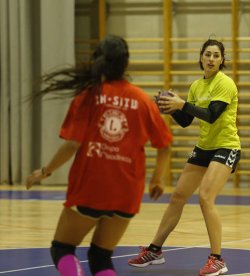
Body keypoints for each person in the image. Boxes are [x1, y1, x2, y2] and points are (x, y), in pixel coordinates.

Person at [26, 35, 173, 276]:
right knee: (100, 257)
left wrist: (44, 172)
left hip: (91, 187)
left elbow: (72, 145)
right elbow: (164, 145)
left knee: (62, 248)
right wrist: (158, 179)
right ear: (126, 64)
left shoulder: (88, 97)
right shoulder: (142, 100)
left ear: (98, 61)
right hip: (127, 191)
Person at [128, 38, 241, 276]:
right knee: (178, 196)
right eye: (207, 54)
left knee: (205, 197)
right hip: (204, 146)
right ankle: (155, 250)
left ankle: (217, 259)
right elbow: (187, 121)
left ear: (222, 61)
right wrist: (170, 107)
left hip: (226, 146)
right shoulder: (196, 86)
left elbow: (211, 115)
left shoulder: (225, 83)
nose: (211, 59)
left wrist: (181, 104)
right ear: (201, 57)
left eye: (216, 55)